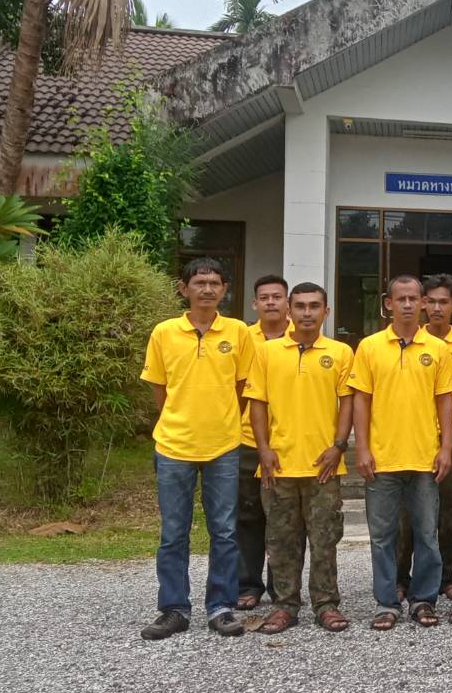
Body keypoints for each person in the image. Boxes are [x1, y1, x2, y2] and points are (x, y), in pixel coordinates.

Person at [138, 258, 255, 640]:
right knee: (174, 532)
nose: (207, 289)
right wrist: (179, 418)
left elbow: (242, 387)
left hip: (224, 446)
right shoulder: (164, 333)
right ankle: (174, 608)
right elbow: (160, 389)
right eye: (199, 283)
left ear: (225, 289)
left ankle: (221, 607)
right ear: (183, 288)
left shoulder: (238, 332)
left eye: (214, 283)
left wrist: (221, 420)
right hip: (174, 446)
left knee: (224, 531)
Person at [244, 283, 354, 634]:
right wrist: (263, 448)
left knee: (324, 539)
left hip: (323, 465)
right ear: (289, 310)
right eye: (301, 306)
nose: (308, 312)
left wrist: (339, 445)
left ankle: (326, 604)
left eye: (315, 306)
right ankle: (284, 606)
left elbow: (348, 402)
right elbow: (257, 403)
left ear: (326, 312)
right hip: (278, 464)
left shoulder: (340, 352)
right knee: (280, 541)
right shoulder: (267, 352)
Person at [349, 275, 452, 630]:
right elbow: (361, 400)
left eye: (413, 298)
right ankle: (386, 603)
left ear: (423, 303)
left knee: (427, 534)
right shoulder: (369, 347)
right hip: (382, 459)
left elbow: (445, 401)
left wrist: (446, 447)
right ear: (388, 303)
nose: (408, 304)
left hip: (425, 458)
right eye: (401, 299)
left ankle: (424, 600)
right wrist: (362, 448)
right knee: (382, 536)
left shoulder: (437, 349)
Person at [397, 274, 452, 602]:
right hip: (413, 437)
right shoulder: (410, 341)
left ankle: (446, 576)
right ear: (424, 304)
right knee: (407, 516)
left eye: (444, 302)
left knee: (449, 513)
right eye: (432, 302)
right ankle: (401, 577)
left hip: (450, 439)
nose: (437, 308)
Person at [236, 275, 290, 610]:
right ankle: (248, 585)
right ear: (255, 303)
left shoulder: (301, 338)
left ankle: (282, 586)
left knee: (285, 520)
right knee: (248, 516)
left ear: (287, 303)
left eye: (277, 297)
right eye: (264, 297)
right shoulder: (242, 338)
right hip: (246, 441)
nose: (271, 302)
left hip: (289, 443)